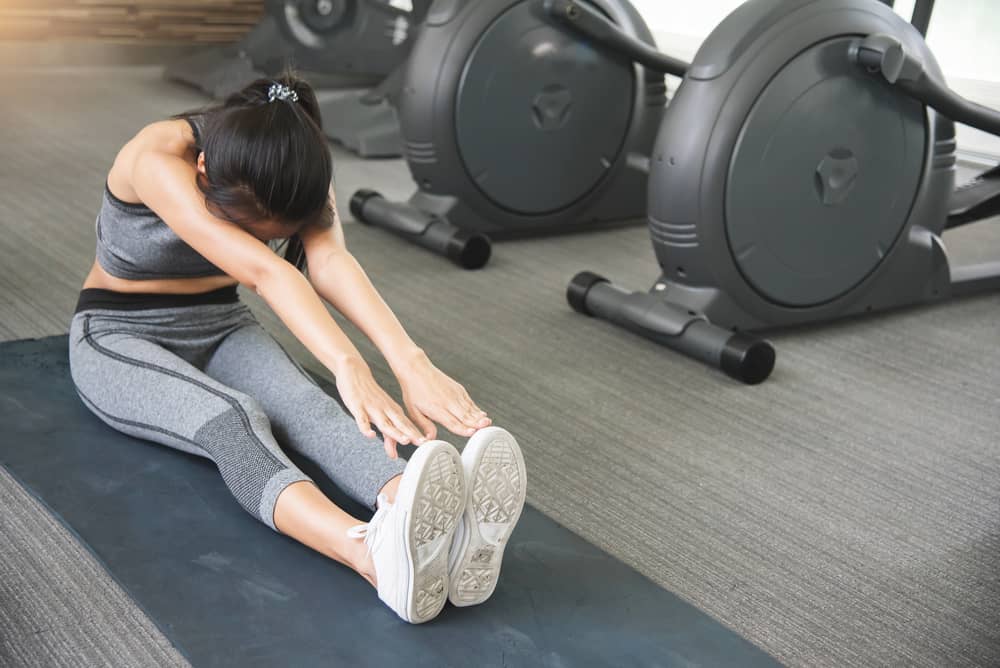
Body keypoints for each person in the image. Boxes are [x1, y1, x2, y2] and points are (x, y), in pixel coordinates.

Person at [67, 74, 527, 624]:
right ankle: (370, 555)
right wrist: (348, 364)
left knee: (309, 406)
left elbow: (328, 263)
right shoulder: (157, 156)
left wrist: (410, 362)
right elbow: (266, 270)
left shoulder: (297, 164)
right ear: (206, 172)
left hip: (220, 322)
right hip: (118, 333)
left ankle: (425, 512)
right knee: (233, 418)